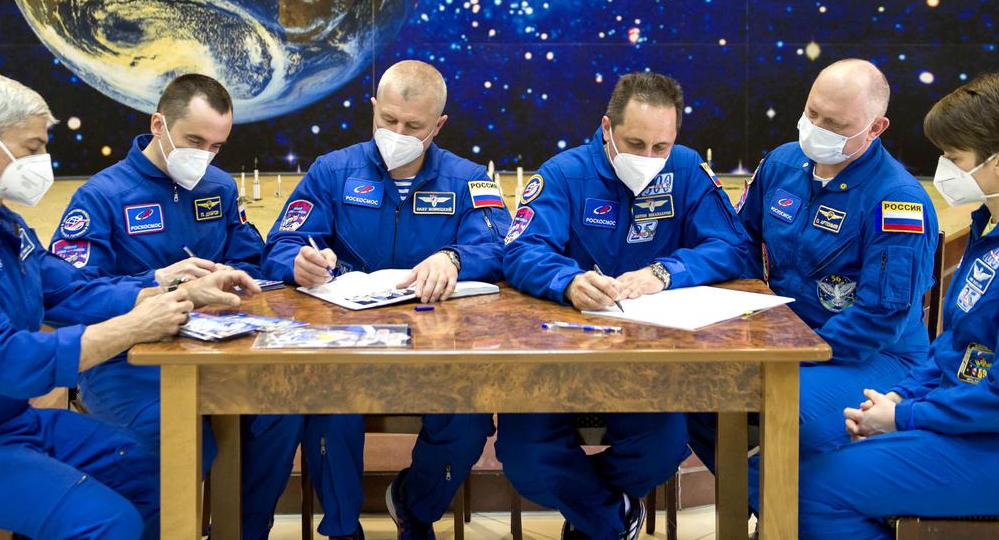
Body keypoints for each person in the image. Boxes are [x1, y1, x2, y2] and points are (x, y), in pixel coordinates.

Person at [0, 73, 257, 539]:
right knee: (109, 522)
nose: (42, 161)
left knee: (165, 464)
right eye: (33, 148)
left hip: (12, 426)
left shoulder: (4, 228)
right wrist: (134, 326)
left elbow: (70, 291)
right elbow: (7, 362)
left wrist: (174, 291)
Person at [796, 71, 999, 538]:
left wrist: (904, 417)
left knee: (806, 490)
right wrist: (902, 397)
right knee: (792, 456)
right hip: (975, 425)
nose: (944, 168)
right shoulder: (996, 229)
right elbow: (952, 348)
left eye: (953, 157)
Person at [498, 72, 752, 540]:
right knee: (524, 458)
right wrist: (567, 281)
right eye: (635, 143)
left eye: (662, 147)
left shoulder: (688, 169)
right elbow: (519, 250)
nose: (649, 158)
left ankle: (592, 522)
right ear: (607, 128)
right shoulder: (563, 173)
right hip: (560, 353)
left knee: (662, 448)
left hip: (649, 355)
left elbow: (733, 247)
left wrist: (666, 272)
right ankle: (613, 518)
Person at [264, 60, 510, 540]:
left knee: (467, 419)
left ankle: (415, 508)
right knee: (330, 410)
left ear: (437, 126)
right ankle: (340, 529)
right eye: (388, 120)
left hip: (437, 346)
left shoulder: (469, 178)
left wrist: (454, 259)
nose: (396, 133)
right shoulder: (331, 171)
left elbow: (502, 244)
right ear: (373, 109)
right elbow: (281, 243)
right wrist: (296, 262)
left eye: (412, 126)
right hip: (347, 342)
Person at [48, 73, 300, 540]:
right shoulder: (100, 197)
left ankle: (243, 533)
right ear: (158, 124)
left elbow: (252, 259)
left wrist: (278, 268)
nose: (203, 155)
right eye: (194, 140)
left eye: (216, 146)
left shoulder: (218, 188)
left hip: (218, 351)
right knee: (180, 435)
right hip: (127, 364)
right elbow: (66, 297)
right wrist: (157, 286)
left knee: (280, 413)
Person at [686, 59, 939, 496]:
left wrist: (790, 353)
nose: (816, 128)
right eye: (812, 113)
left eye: (835, 123)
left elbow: (882, 315)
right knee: (695, 393)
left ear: (876, 128)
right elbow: (740, 243)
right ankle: (762, 505)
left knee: (786, 409)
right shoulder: (782, 163)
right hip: (783, 338)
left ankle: (779, 510)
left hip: (872, 355)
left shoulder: (898, 202)